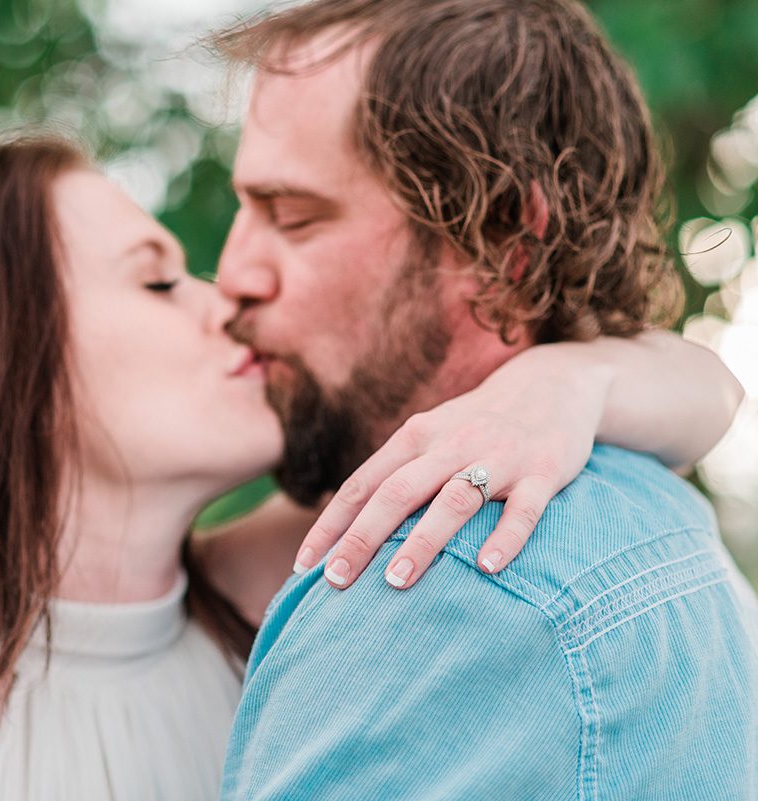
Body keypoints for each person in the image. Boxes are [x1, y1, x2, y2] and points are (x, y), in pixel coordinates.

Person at [0, 137, 738, 801]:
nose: (229, 298)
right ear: (2, 361)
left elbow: (709, 398)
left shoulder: (285, 579)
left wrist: (560, 388)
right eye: (158, 279)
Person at [210, 1, 758, 799]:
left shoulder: (432, 582)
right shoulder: (657, 513)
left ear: (505, 245)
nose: (231, 273)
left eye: (292, 216)